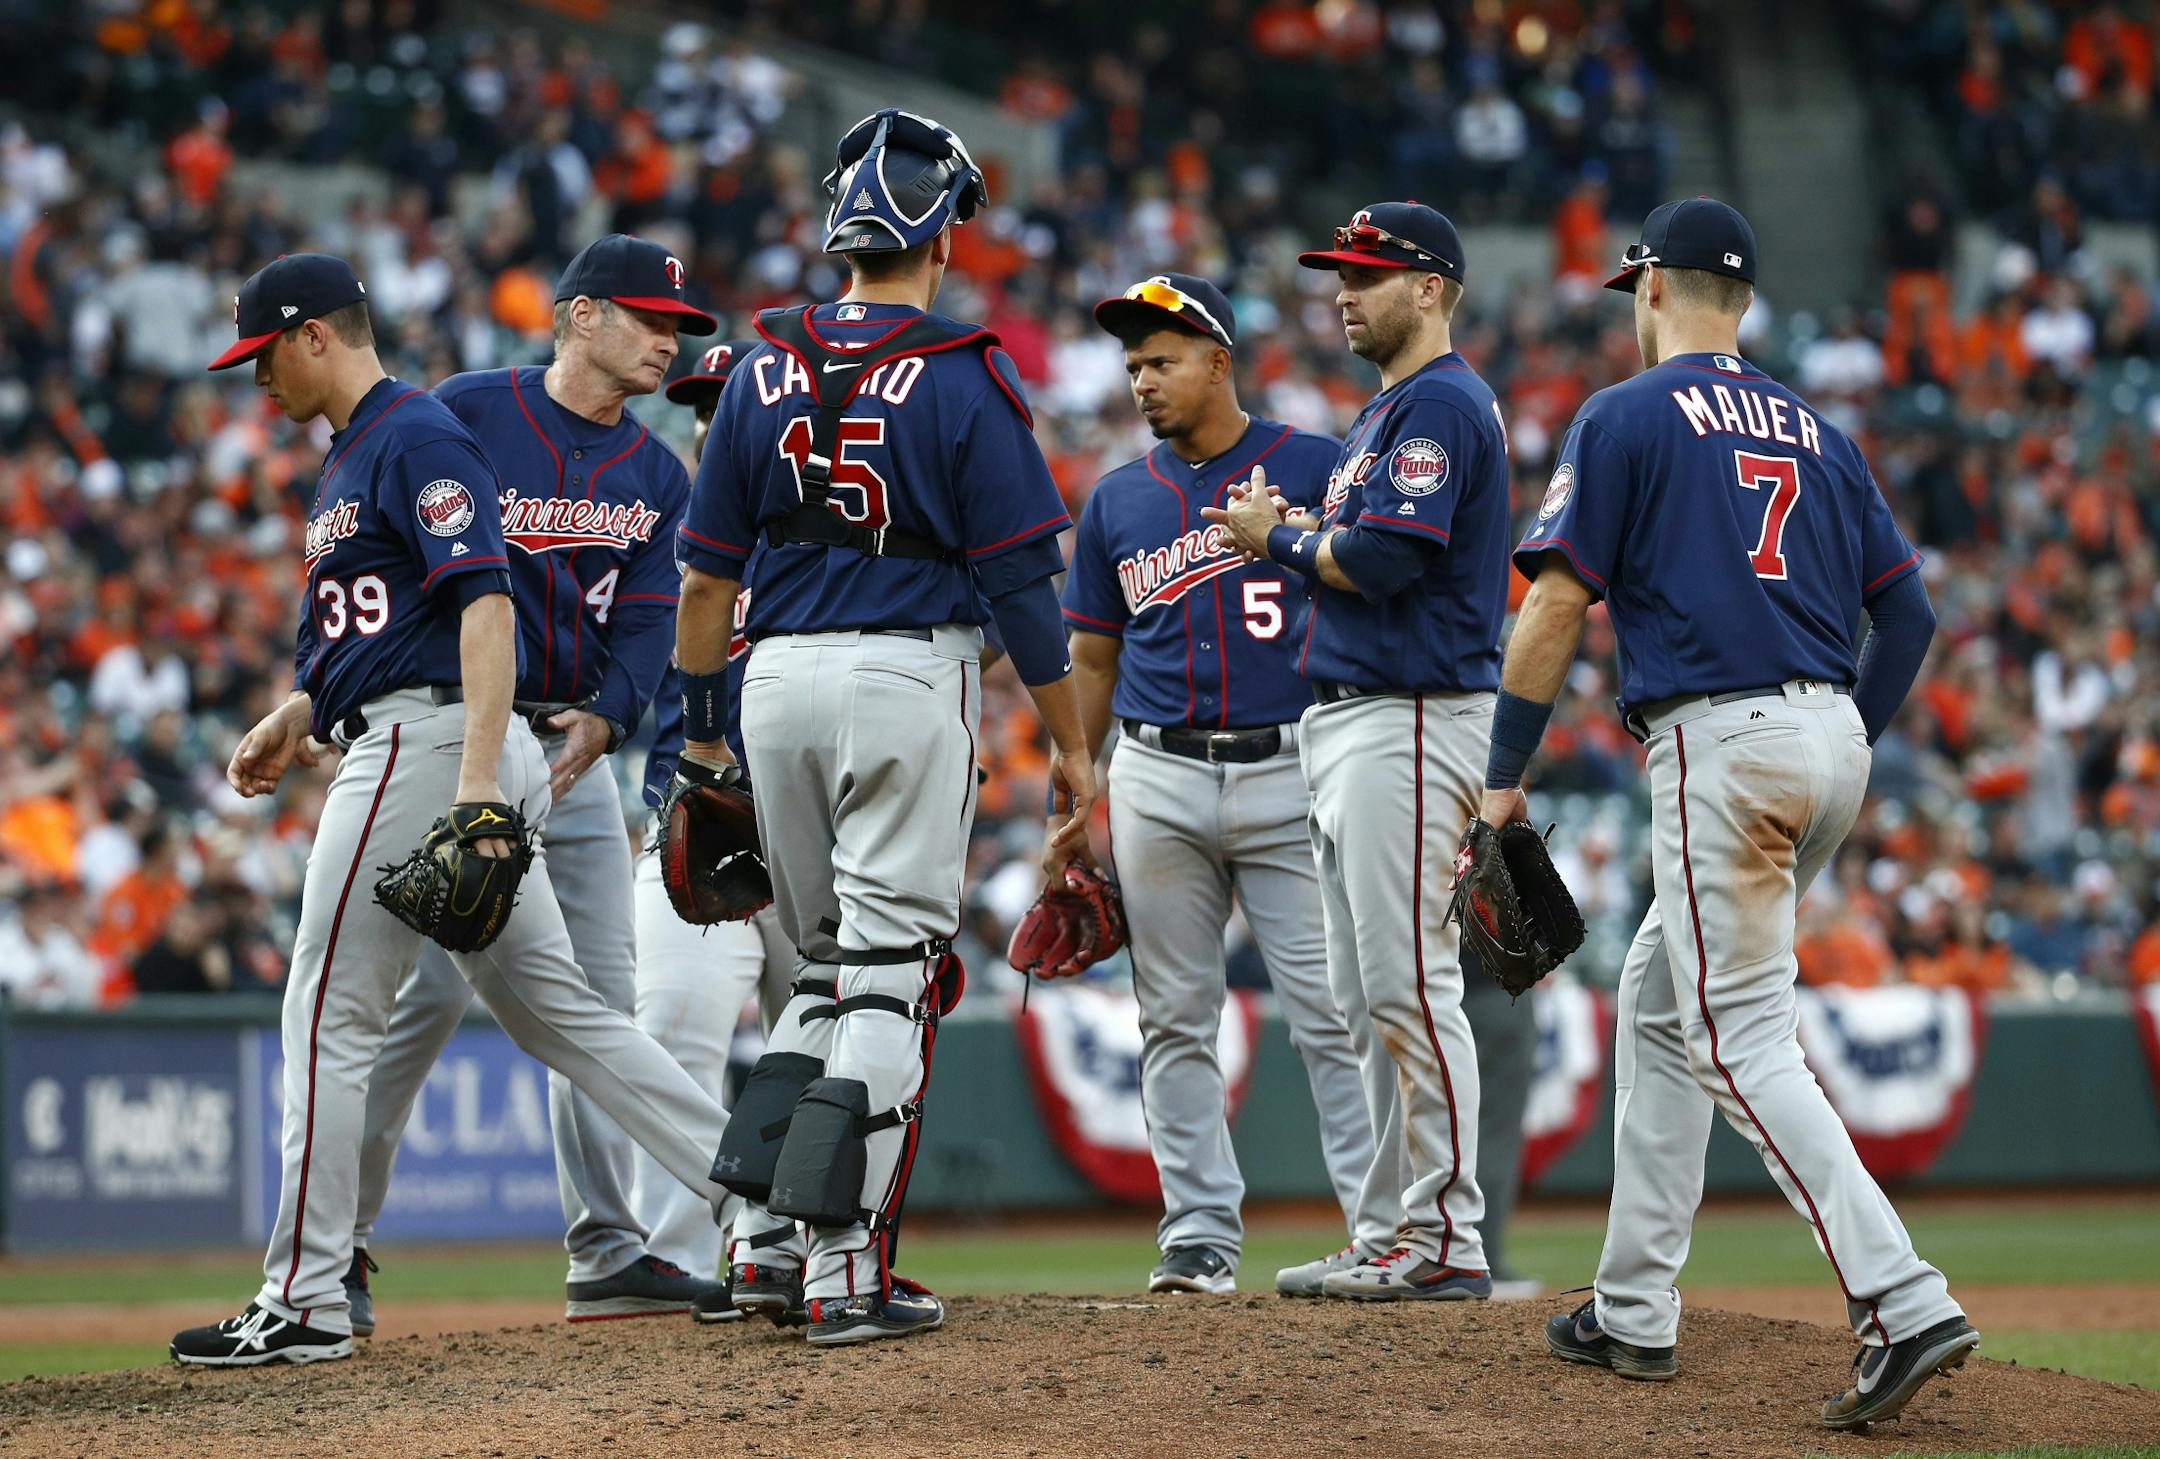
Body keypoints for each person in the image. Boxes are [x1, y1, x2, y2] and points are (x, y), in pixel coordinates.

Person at [170, 253, 740, 1367]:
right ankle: (769, 1208)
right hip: (452, 736)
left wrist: (486, 783)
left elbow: (485, 606)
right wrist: (304, 710)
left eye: (261, 356)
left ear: (312, 336)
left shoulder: (417, 432)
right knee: (563, 1016)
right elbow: (393, 623)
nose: (255, 384)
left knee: (329, 1012)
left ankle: (307, 1292)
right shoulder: (401, 435)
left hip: (448, 747)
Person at [1485, 197, 1973, 1430]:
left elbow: (1549, 609)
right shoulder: (1820, 428)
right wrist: (1847, 729)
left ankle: (1899, 1296)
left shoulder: (1627, 411)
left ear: (1650, 287)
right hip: (1832, 742)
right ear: (1740, 301)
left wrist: (1501, 774)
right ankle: (1634, 1308)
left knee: (1736, 1037)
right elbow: (1909, 618)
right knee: (1662, 1002)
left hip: (1723, 739)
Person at [676, 108, 1092, 1346]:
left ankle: (758, 1244)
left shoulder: (755, 366)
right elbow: (1023, 587)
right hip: (905, 674)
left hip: (771, 677)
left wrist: (702, 738)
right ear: (942, 240)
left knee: (810, 966)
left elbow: (703, 585)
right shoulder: (964, 370)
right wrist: (1074, 747)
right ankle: (845, 1267)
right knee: (887, 974)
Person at [345, 236, 728, 1332]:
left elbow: (655, 617)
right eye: (651, 319)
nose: (669, 340)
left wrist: (611, 715)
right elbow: (382, 544)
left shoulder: (657, 476)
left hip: (576, 763)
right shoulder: (466, 411)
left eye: (679, 326)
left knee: (604, 1003)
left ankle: (606, 1250)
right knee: (414, 1009)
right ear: (579, 315)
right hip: (460, 741)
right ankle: (342, 1246)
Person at [1055, 272, 1381, 1295]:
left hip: (1293, 760)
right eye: (1135, 365)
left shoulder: (1316, 464)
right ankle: (1197, 1233)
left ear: (1218, 361)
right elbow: (1093, 657)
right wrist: (1080, 780)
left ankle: (1383, 1230)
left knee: (1332, 1010)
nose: (1144, 381)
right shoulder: (1118, 498)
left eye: (1164, 361)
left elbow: (1376, 581)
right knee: (1174, 1014)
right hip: (1155, 768)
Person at [1208, 202, 1509, 1302]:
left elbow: (1382, 562)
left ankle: (1445, 1236)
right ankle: (1393, 1227)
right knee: (1366, 993)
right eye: (1341, 270)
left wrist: (1275, 539)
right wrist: (1300, 535)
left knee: (1408, 984)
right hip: (1356, 718)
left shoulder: (1436, 401)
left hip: (1413, 713)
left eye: (1370, 272)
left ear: (1430, 288)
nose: (1345, 289)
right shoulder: (1385, 411)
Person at [631, 340, 797, 1292]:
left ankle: (812, 1242)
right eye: (701, 407)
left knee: (820, 1029)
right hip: (697, 816)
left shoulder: (834, 534)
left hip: (811, 815)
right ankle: (679, 1256)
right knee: (674, 1023)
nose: (713, 424)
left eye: (730, 404)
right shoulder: (662, 535)